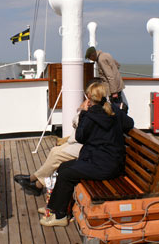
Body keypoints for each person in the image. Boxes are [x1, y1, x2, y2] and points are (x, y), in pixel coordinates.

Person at [39, 82, 127, 227]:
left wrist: (83, 112)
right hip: (107, 160)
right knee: (63, 167)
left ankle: (60, 216)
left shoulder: (90, 115)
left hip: (103, 165)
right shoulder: (113, 111)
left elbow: (80, 137)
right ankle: (54, 207)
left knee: (67, 174)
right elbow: (129, 123)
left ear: (88, 98)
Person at [85, 47, 128, 112]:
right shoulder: (106, 54)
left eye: (89, 58)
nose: (90, 60)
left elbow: (109, 76)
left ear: (92, 55)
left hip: (113, 88)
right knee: (120, 107)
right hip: (118, 85)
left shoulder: (101, 60)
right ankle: (122, 120)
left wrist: (114, 92)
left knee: (116, 108)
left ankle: (119, 121)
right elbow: (117, 65)